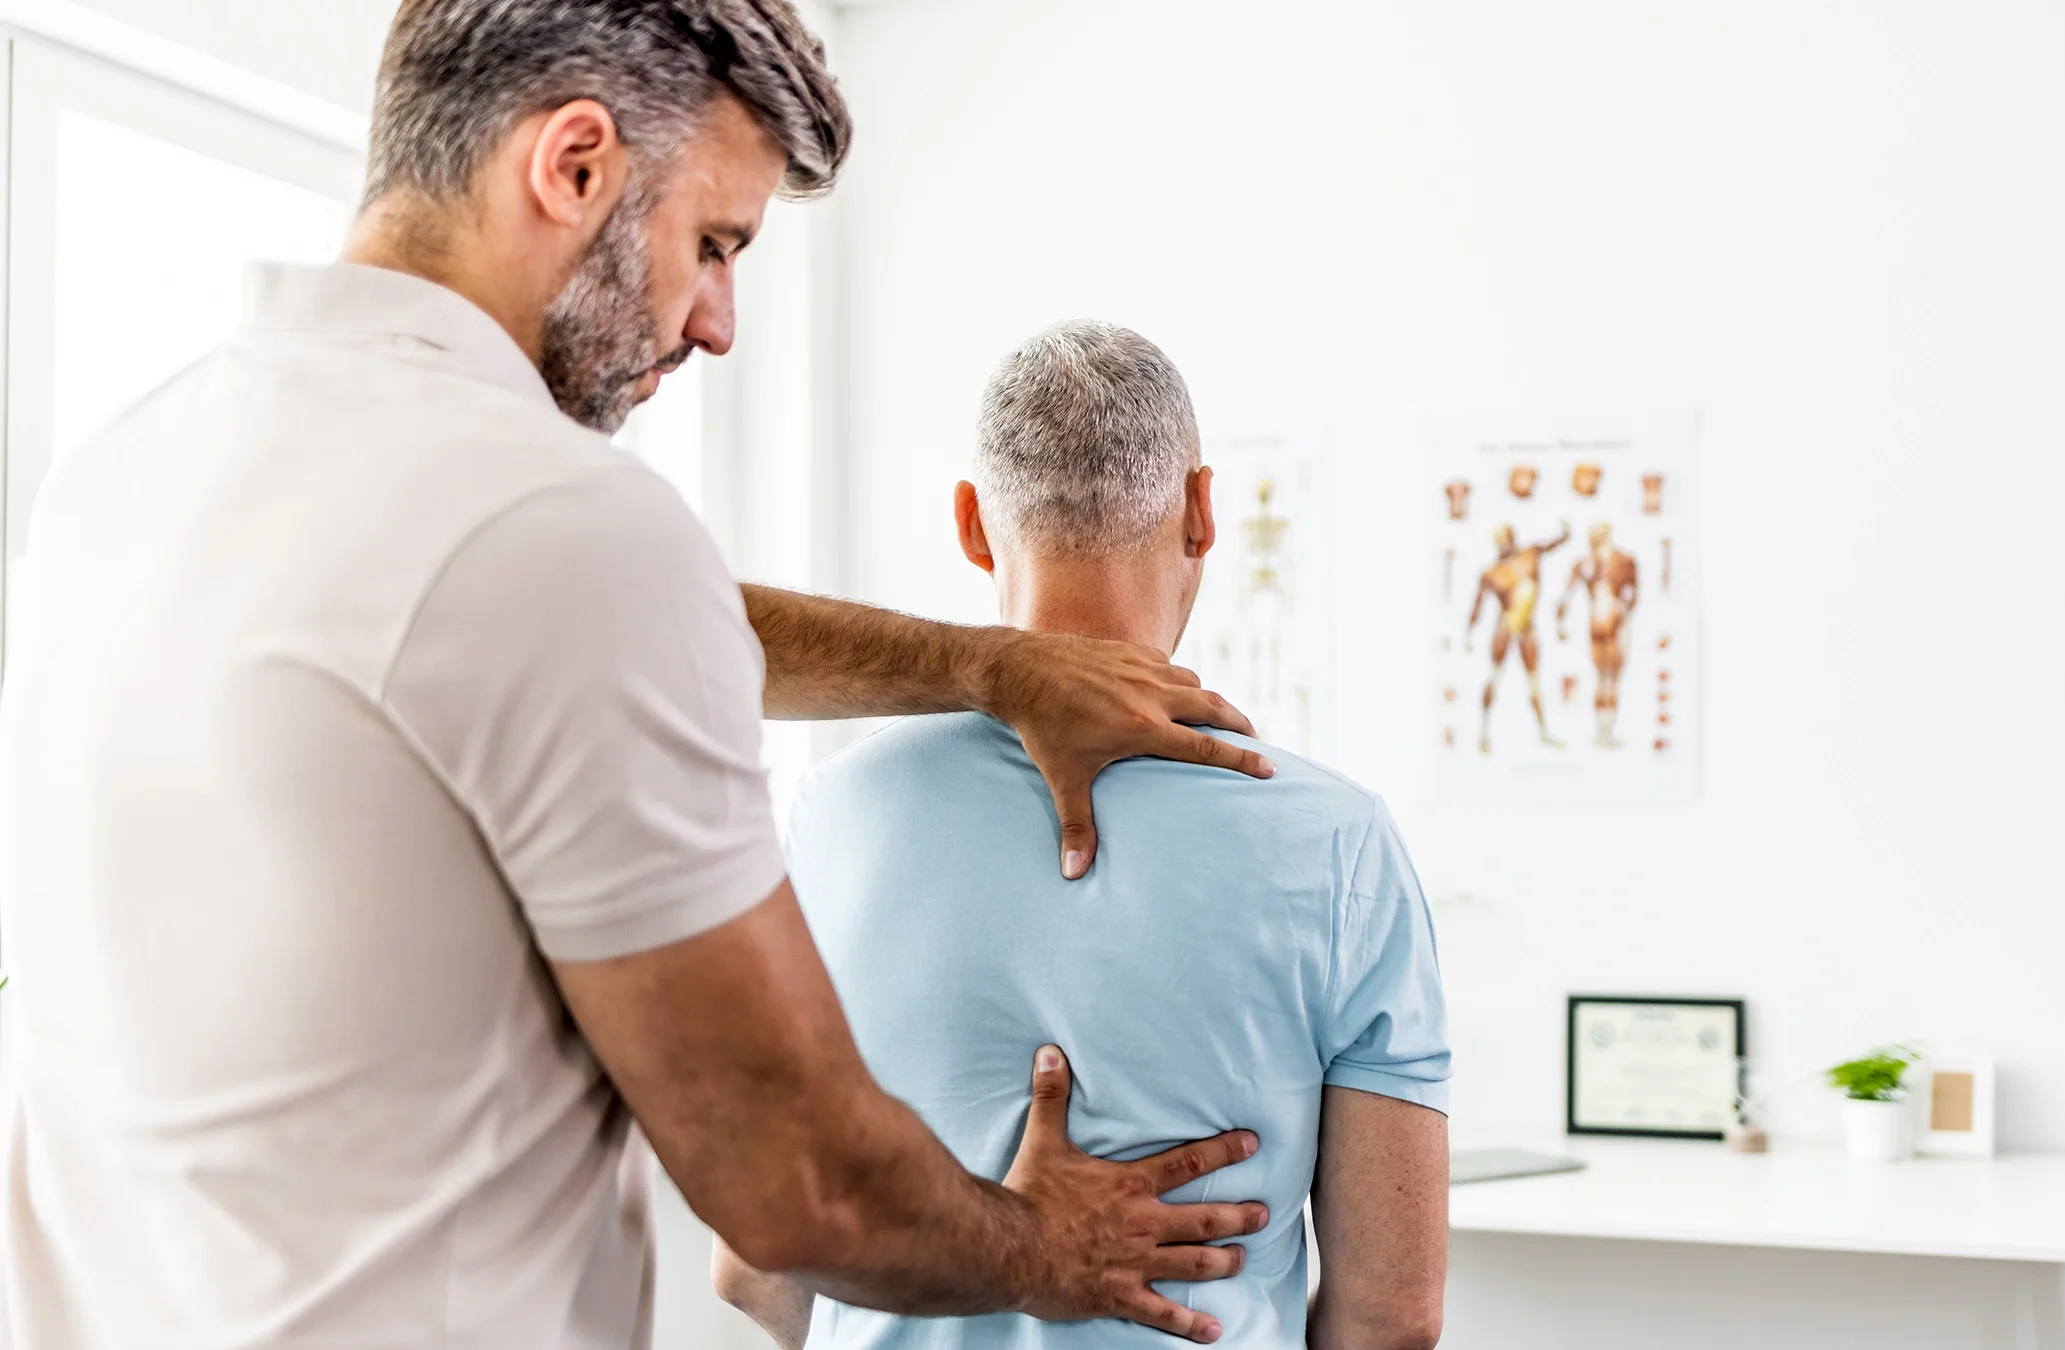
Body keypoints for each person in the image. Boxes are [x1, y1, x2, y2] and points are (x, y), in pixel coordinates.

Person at [0, 5, 1275, 1348]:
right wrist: (1047, 1243)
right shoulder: (563, 532)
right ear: (574, 165)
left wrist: (988, 664)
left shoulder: (119, 477)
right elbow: (800, 1181)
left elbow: (538, 623)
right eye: (713, 244)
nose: (716, 321)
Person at [715, 322, 1451, 1350]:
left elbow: (755, 1270)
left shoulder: (830, 818)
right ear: (1200, 512)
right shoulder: (1341, 846)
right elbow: (1391, 1316)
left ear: (971, 525)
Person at [1468, 520, 1572, 752]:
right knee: (1494, 677)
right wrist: (1469, 632)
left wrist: (1565, 534)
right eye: (1500, 540)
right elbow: (1478, 605)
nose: (1504, 544)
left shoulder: (1530, 555)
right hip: (1505, 626)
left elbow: (1550, 546)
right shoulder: (1492, 573)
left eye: (1506, 538)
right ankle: (1483, 734)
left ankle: (1543, 732)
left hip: (1526, 627)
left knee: (1533, 681)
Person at [1556, 521, 1639, 747]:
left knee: (1604, 677)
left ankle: (1604, 731)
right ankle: (1604, 732)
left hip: (1601, 617)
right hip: (1608, 620)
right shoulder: (1612, 561)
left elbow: (1566, 596)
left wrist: (1561, 622)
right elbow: (1630, 596)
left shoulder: (1609, 562)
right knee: (1609, 678)